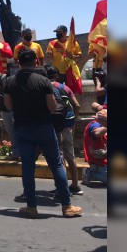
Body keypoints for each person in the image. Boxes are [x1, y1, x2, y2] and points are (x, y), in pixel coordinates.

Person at [3, 49, 83, 218]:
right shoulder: (43, 81)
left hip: (22, 128)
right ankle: (66, 206)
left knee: (27, 166)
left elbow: (8, 106)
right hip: (44, 127)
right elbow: (53, 107)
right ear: (36, 63)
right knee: (56, 165)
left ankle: (31, 206)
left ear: (19, 63)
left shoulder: (9, 82)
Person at [46, 66, 83, 196]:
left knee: (58, 156)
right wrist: (73, 121)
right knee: (70, 155)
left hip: (54, 124)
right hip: (68, 123)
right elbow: (77, 105)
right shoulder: (65, 88)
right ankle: (75, 185)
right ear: (56, 75)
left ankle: (60, 188)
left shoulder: (46, 87)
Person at [82, 109, 108, 186]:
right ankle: (90, 173)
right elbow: (96, 132)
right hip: (98, 163)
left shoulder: (103, 125)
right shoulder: (94, 125)